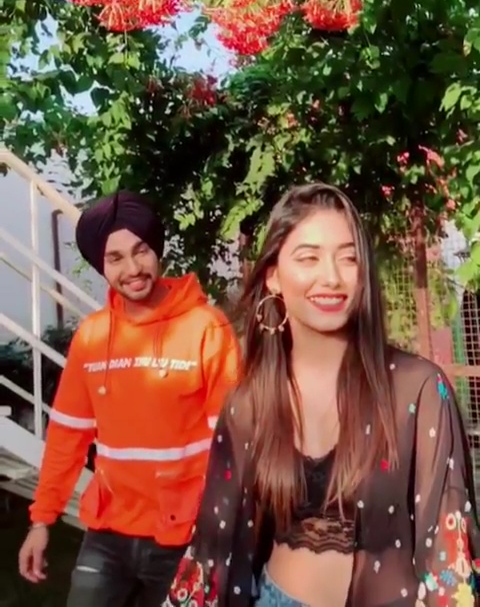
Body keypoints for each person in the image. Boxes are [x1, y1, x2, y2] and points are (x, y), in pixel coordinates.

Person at [161, 182, 480, 607]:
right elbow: (214, 543)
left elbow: (448, 542)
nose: (331, 277)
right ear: (273, 276)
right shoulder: (249, 402)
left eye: (348, 258)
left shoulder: (418, 389)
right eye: (308, 257)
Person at [18, 191, 241, 607]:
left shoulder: (206, 328)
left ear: (156, 250)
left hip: (186, 535)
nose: (133, 268)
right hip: (108, 537)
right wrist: (41, 520)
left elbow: (233, 444)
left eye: (141, 251)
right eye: (115, 258)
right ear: (101, 265)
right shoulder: (92, 336)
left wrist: (225, 528)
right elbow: (67, 437)